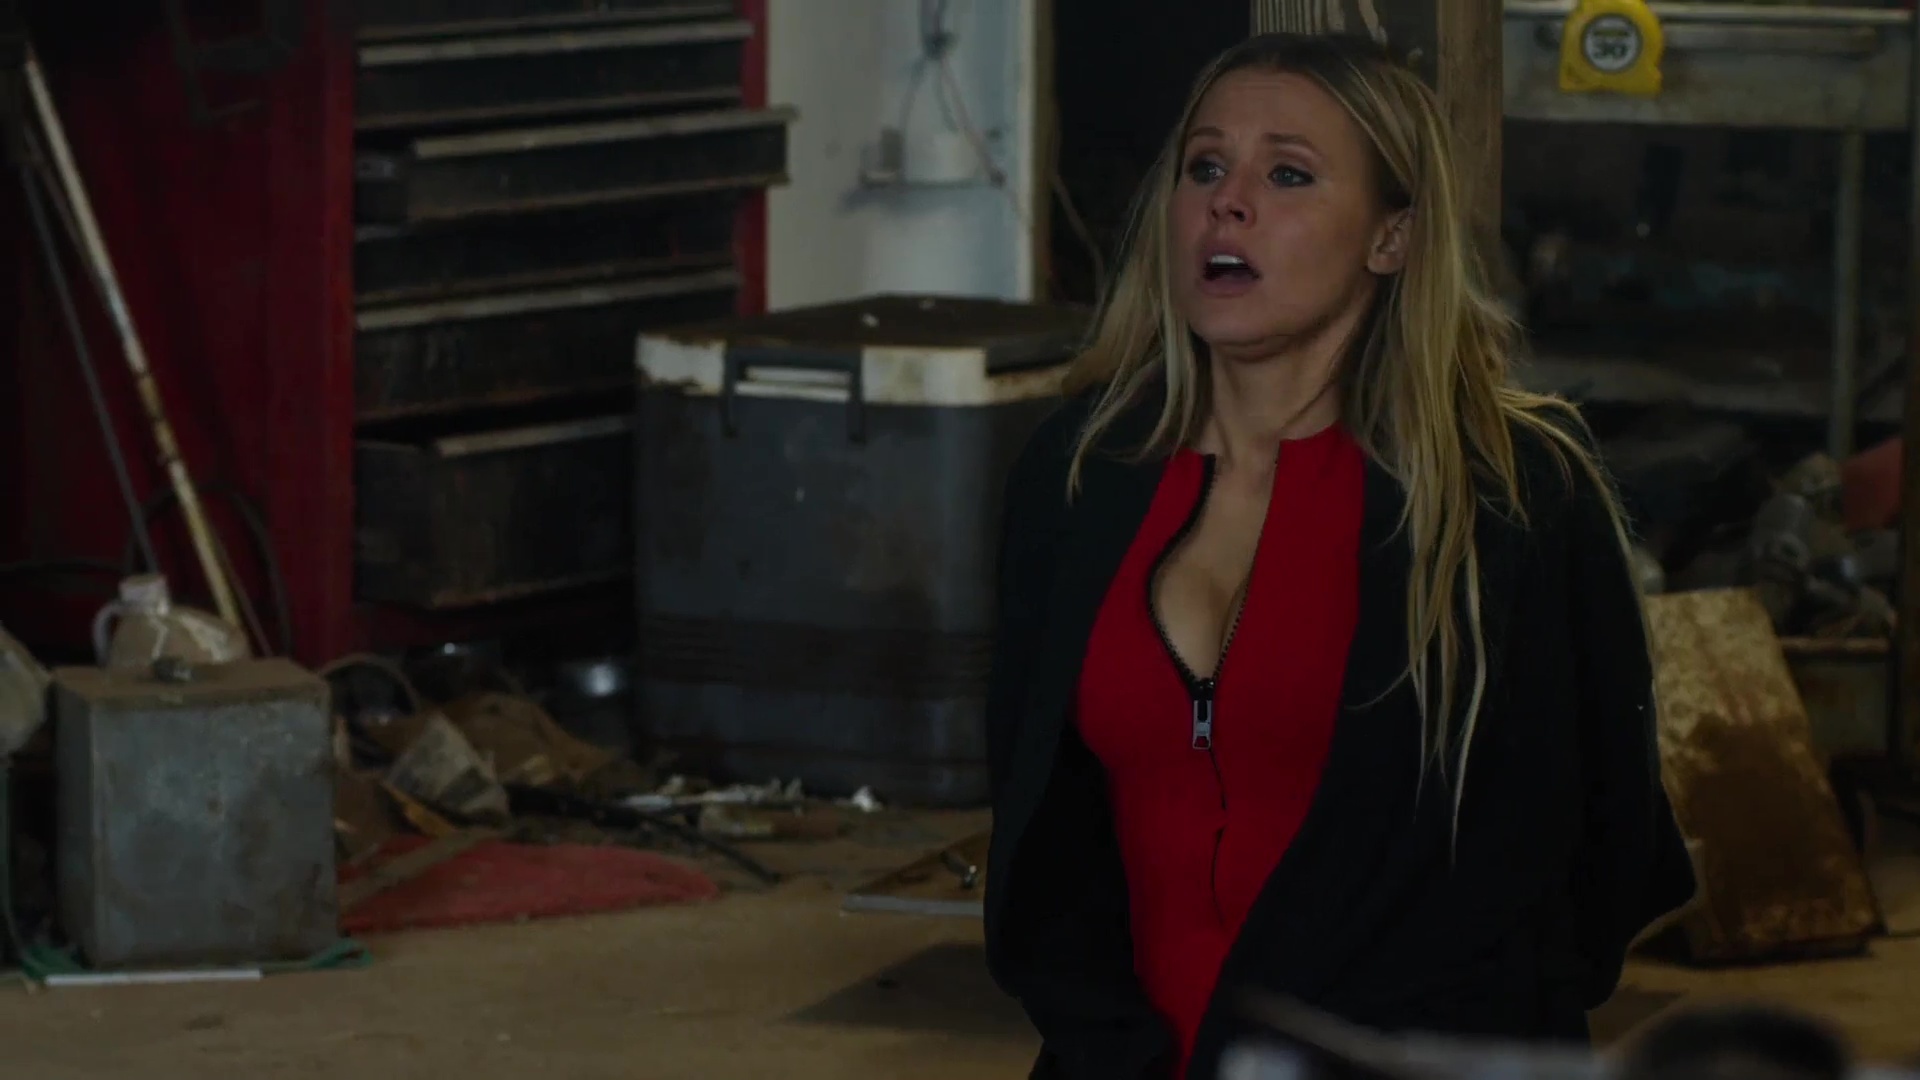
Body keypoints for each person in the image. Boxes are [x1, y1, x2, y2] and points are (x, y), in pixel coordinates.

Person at [981, 32, 1697, 1080]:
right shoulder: (1078, 473)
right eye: (1205, 167)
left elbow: (1605, 843)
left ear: (1391, 238)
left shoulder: (1512, 490)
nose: (1228, 205)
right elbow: (1040, 824)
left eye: (1288, 175)